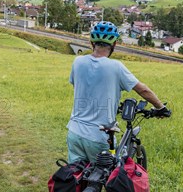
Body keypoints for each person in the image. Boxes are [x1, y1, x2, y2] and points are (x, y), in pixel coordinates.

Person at [67, 21, 171, 165]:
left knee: (76, 177)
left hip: (74, 132)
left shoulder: (78, 62)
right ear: (114, 44)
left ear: (92, 42)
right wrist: (161, 108)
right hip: (98, 136)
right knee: (110, 176)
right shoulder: (116, 66)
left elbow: (79, 87)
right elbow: (143, 90)